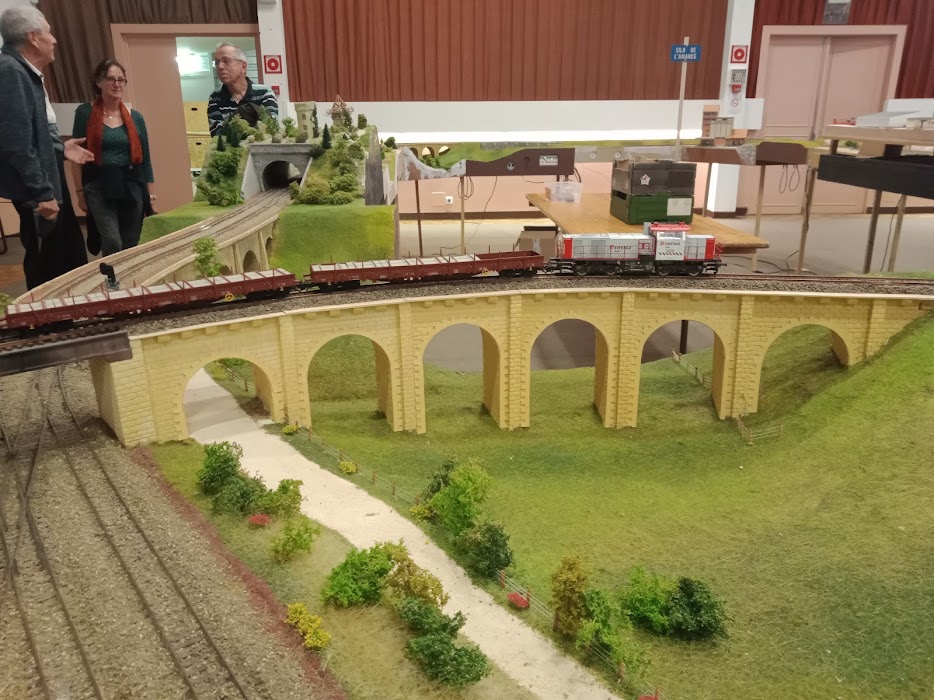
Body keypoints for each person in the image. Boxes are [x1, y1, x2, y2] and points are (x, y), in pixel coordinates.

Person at [0, 6, 94, 289]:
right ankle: (51, 317)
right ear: (33, 37)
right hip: (38, 192)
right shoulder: (11, 72)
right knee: (49, 269)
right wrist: (42, 192)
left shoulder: (24, 71)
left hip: (47, 181)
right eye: (49, 32)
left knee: (69, 259)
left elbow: (33, 133)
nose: (54, 39)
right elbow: (16, 143)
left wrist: (61, 149)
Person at [72, 59, 155, 257]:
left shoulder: (136, 117)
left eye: (121, 79)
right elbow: (76, 156)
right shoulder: (84, 112)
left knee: (131, 241)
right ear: (98, 82)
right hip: (99, 185)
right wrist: (79, 193)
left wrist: (150, 195)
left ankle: (131, 276)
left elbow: (145, 159)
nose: (117, 84)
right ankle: (112, 276)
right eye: (111, 79)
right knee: (112, 241)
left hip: (131, 184)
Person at [207, 42, 278, 136]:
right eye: (217, 62)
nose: (220, 66)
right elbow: (218, 135)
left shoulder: (264, 93)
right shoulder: (215, 98)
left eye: (226, 61)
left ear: (243, 67)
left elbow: (271, 129)